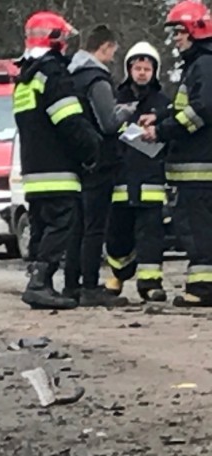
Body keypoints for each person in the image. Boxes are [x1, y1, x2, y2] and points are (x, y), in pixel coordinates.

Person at [14, 11, 102, 309]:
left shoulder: (25, 78)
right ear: (55, 40)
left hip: (33, 171)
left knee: (42, 226)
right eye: (63, 39)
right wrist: (92, 148)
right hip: (58, 170)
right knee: (62, 223)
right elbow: (69, 121)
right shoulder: (53, 74)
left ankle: (41, 282)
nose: (66, 45)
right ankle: (39, 283)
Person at [142, 1, 212, 306]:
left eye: (180, 32)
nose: (176, 39)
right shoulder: (198, 65)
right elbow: (185, 105)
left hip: (199, 168)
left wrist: (162, 131)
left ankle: (203, 289)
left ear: (197, 31)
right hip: (195, 168)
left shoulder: (205, 64)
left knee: (197, 230)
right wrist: (160, 117)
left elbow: (202, 109)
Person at [65, 25, 129, 306]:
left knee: (78, 226)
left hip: (78, 161)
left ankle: (71, 284)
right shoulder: (97, 79)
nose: (113, 57)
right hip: (100, 162)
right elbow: (109, 123)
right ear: (105, 46)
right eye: (113, 50)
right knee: (94, 228)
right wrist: (128, 111)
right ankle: (90, 286)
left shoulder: (72, 76)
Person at [104, 42, 172, 302]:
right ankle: (119, 274)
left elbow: (170, 137)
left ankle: (150, 284)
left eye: (147, 69)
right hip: (120, 180)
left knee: (151, 235)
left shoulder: (163, 103)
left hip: (150, 180)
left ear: (155, 72)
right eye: (137, 68)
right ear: (129, 70)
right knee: (117, 234)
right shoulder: (116, 100)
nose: (142, 73)